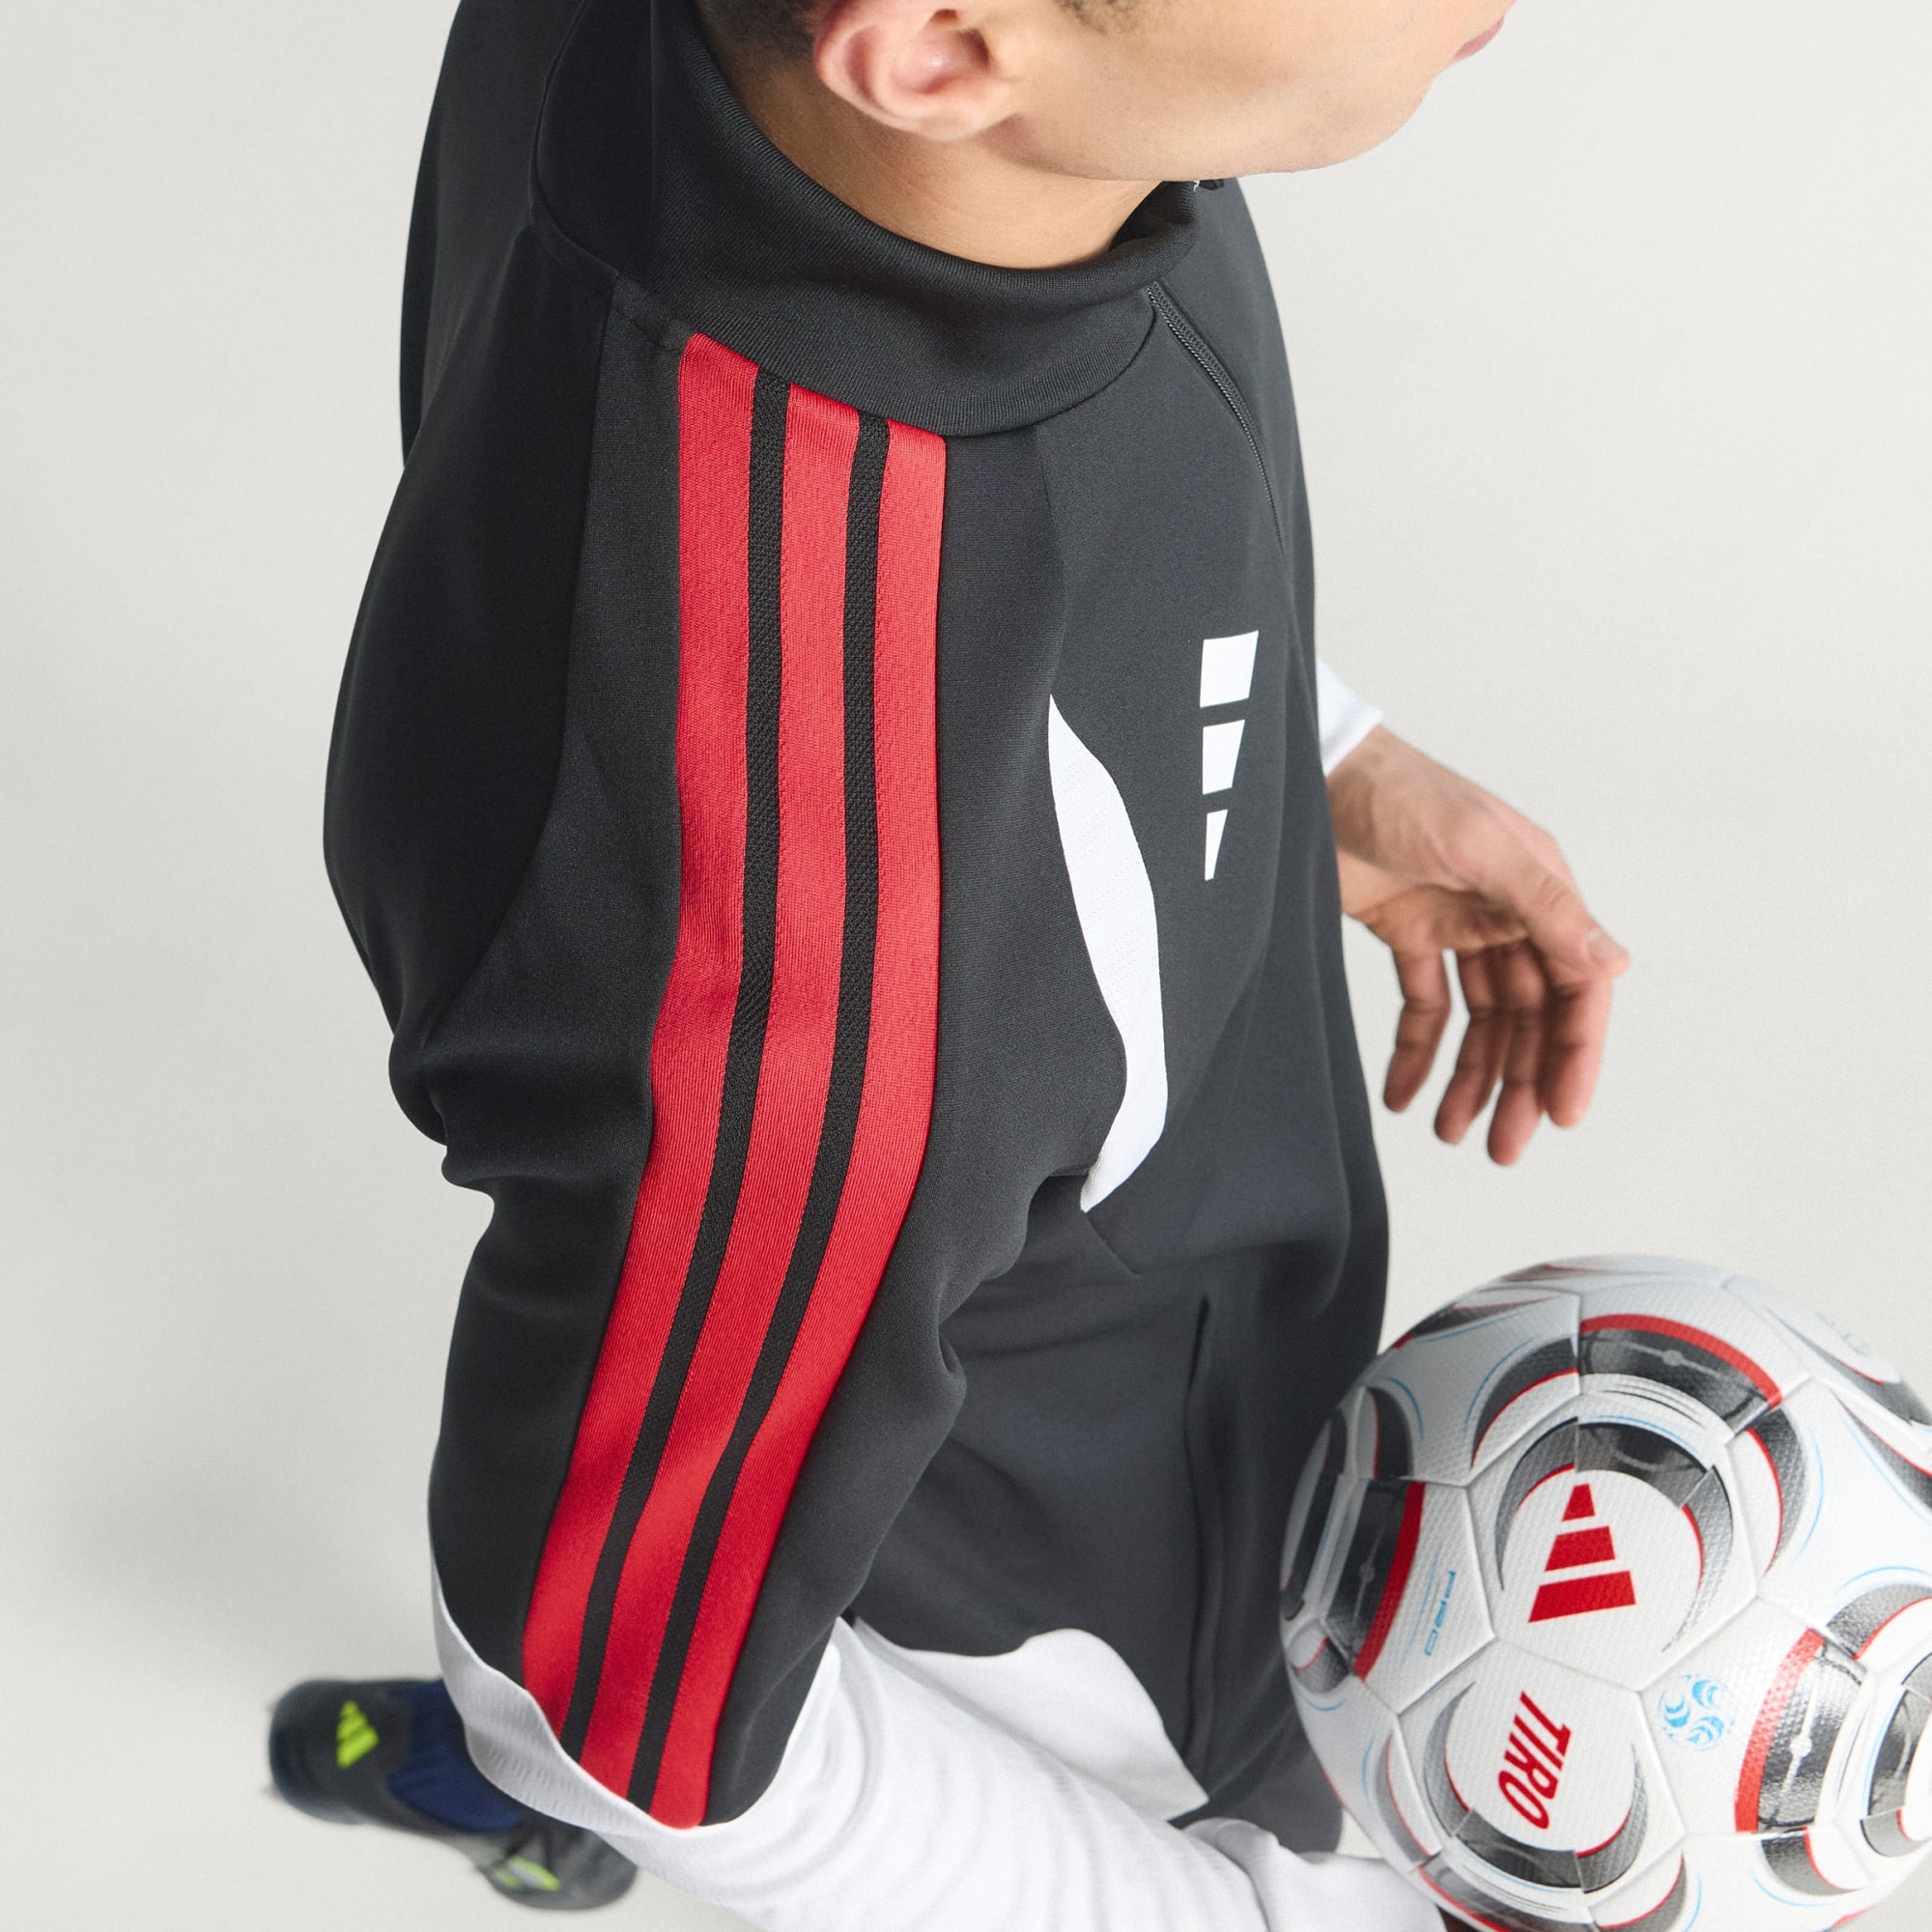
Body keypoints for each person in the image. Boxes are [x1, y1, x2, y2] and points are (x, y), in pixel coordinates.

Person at [270, 0, 1629, 1921]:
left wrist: (1310, 753)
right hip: (1084, 1622)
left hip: (855, 1225)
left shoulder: (963, 145)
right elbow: (617, 1695)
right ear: (933, 52)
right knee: (638, 1700)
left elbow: (978, 580)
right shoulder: (830, 940)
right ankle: (526, 1800)